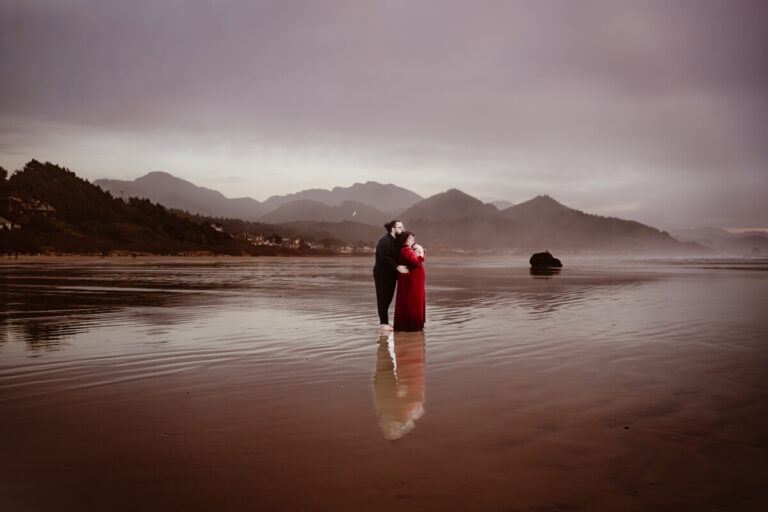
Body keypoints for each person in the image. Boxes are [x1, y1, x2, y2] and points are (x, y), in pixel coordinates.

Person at [373, 220, 409, 333]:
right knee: (383, 298)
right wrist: (397, 267)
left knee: (389, 298)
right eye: (400, 227)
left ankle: (386, 322)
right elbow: (384, 257)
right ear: (393, 229)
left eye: (402, 227)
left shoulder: (396, 240)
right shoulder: (385, 241)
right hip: (382, 274)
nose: (402, 229)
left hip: (391, 274)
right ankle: (383, 323)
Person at [393, 231, 426, 332]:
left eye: (413, 238)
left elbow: (420, 259)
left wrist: (420, 252)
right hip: (412, 280)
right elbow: (415, 261)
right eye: (410, 238)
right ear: (404, 240)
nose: (412, 240)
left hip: (415, 280)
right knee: (413, 301)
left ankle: (415, 324)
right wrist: (421, 253)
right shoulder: (406, 250)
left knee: (416, 300)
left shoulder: (409, 249)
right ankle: (412, 326)